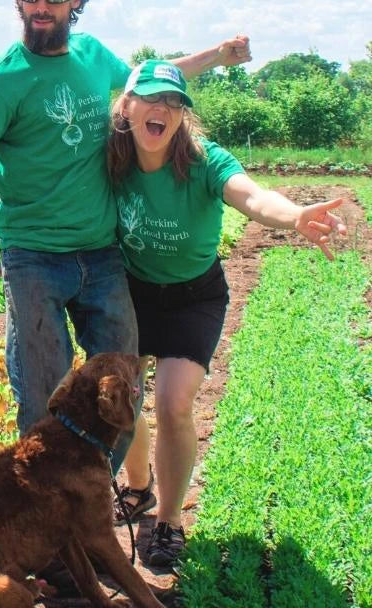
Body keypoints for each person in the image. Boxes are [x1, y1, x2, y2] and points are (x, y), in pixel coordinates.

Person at [0, 0, 252, 457]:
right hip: (33, 255)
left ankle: (97, 488)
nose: (41, 4)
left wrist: (217, 55)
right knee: (42, 386)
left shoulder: (94, 56)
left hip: (101, 252)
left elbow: (152, 84)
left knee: (121, 383)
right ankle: (45, 502)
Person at [107, 60, 346, 568]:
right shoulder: (111, 155)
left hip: (194, 297)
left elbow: (253, 196)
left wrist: (295, 217)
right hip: (132, 291)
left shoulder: (205, 160)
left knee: (172, 401)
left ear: (182, 116)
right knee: (123, 400)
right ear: (126, 106)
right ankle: (139, 487)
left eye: (173, 103)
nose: (162, 110)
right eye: (150, 98)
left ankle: (169, 522)